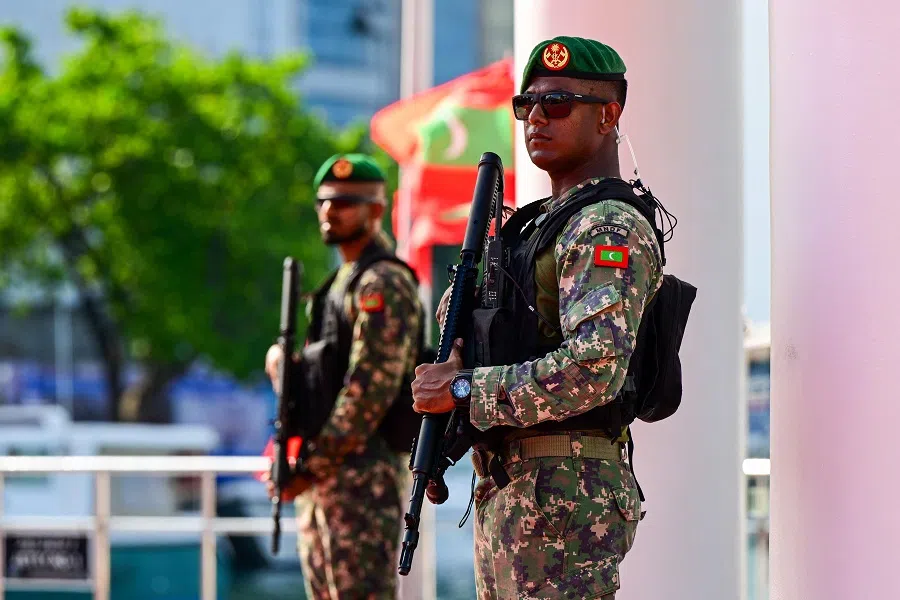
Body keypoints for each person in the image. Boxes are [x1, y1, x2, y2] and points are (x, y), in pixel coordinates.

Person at [412, 37, 664, 599]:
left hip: (564, 497)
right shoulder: (536, 228)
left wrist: (460, 389)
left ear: (609, 114)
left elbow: (592, 369)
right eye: (527, 106)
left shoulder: (607, 227)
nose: (536, 119)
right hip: (518, 488)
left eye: (558, 103)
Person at [265, 153, 423, 600]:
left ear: (376, 210)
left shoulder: (381, 283)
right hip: (328, 473)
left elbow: (368, 391)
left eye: (346, 202)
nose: (330, 211)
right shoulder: (341, 282)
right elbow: (328, 376)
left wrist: (310, 468)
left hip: (362, 479)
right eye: (325, 201)